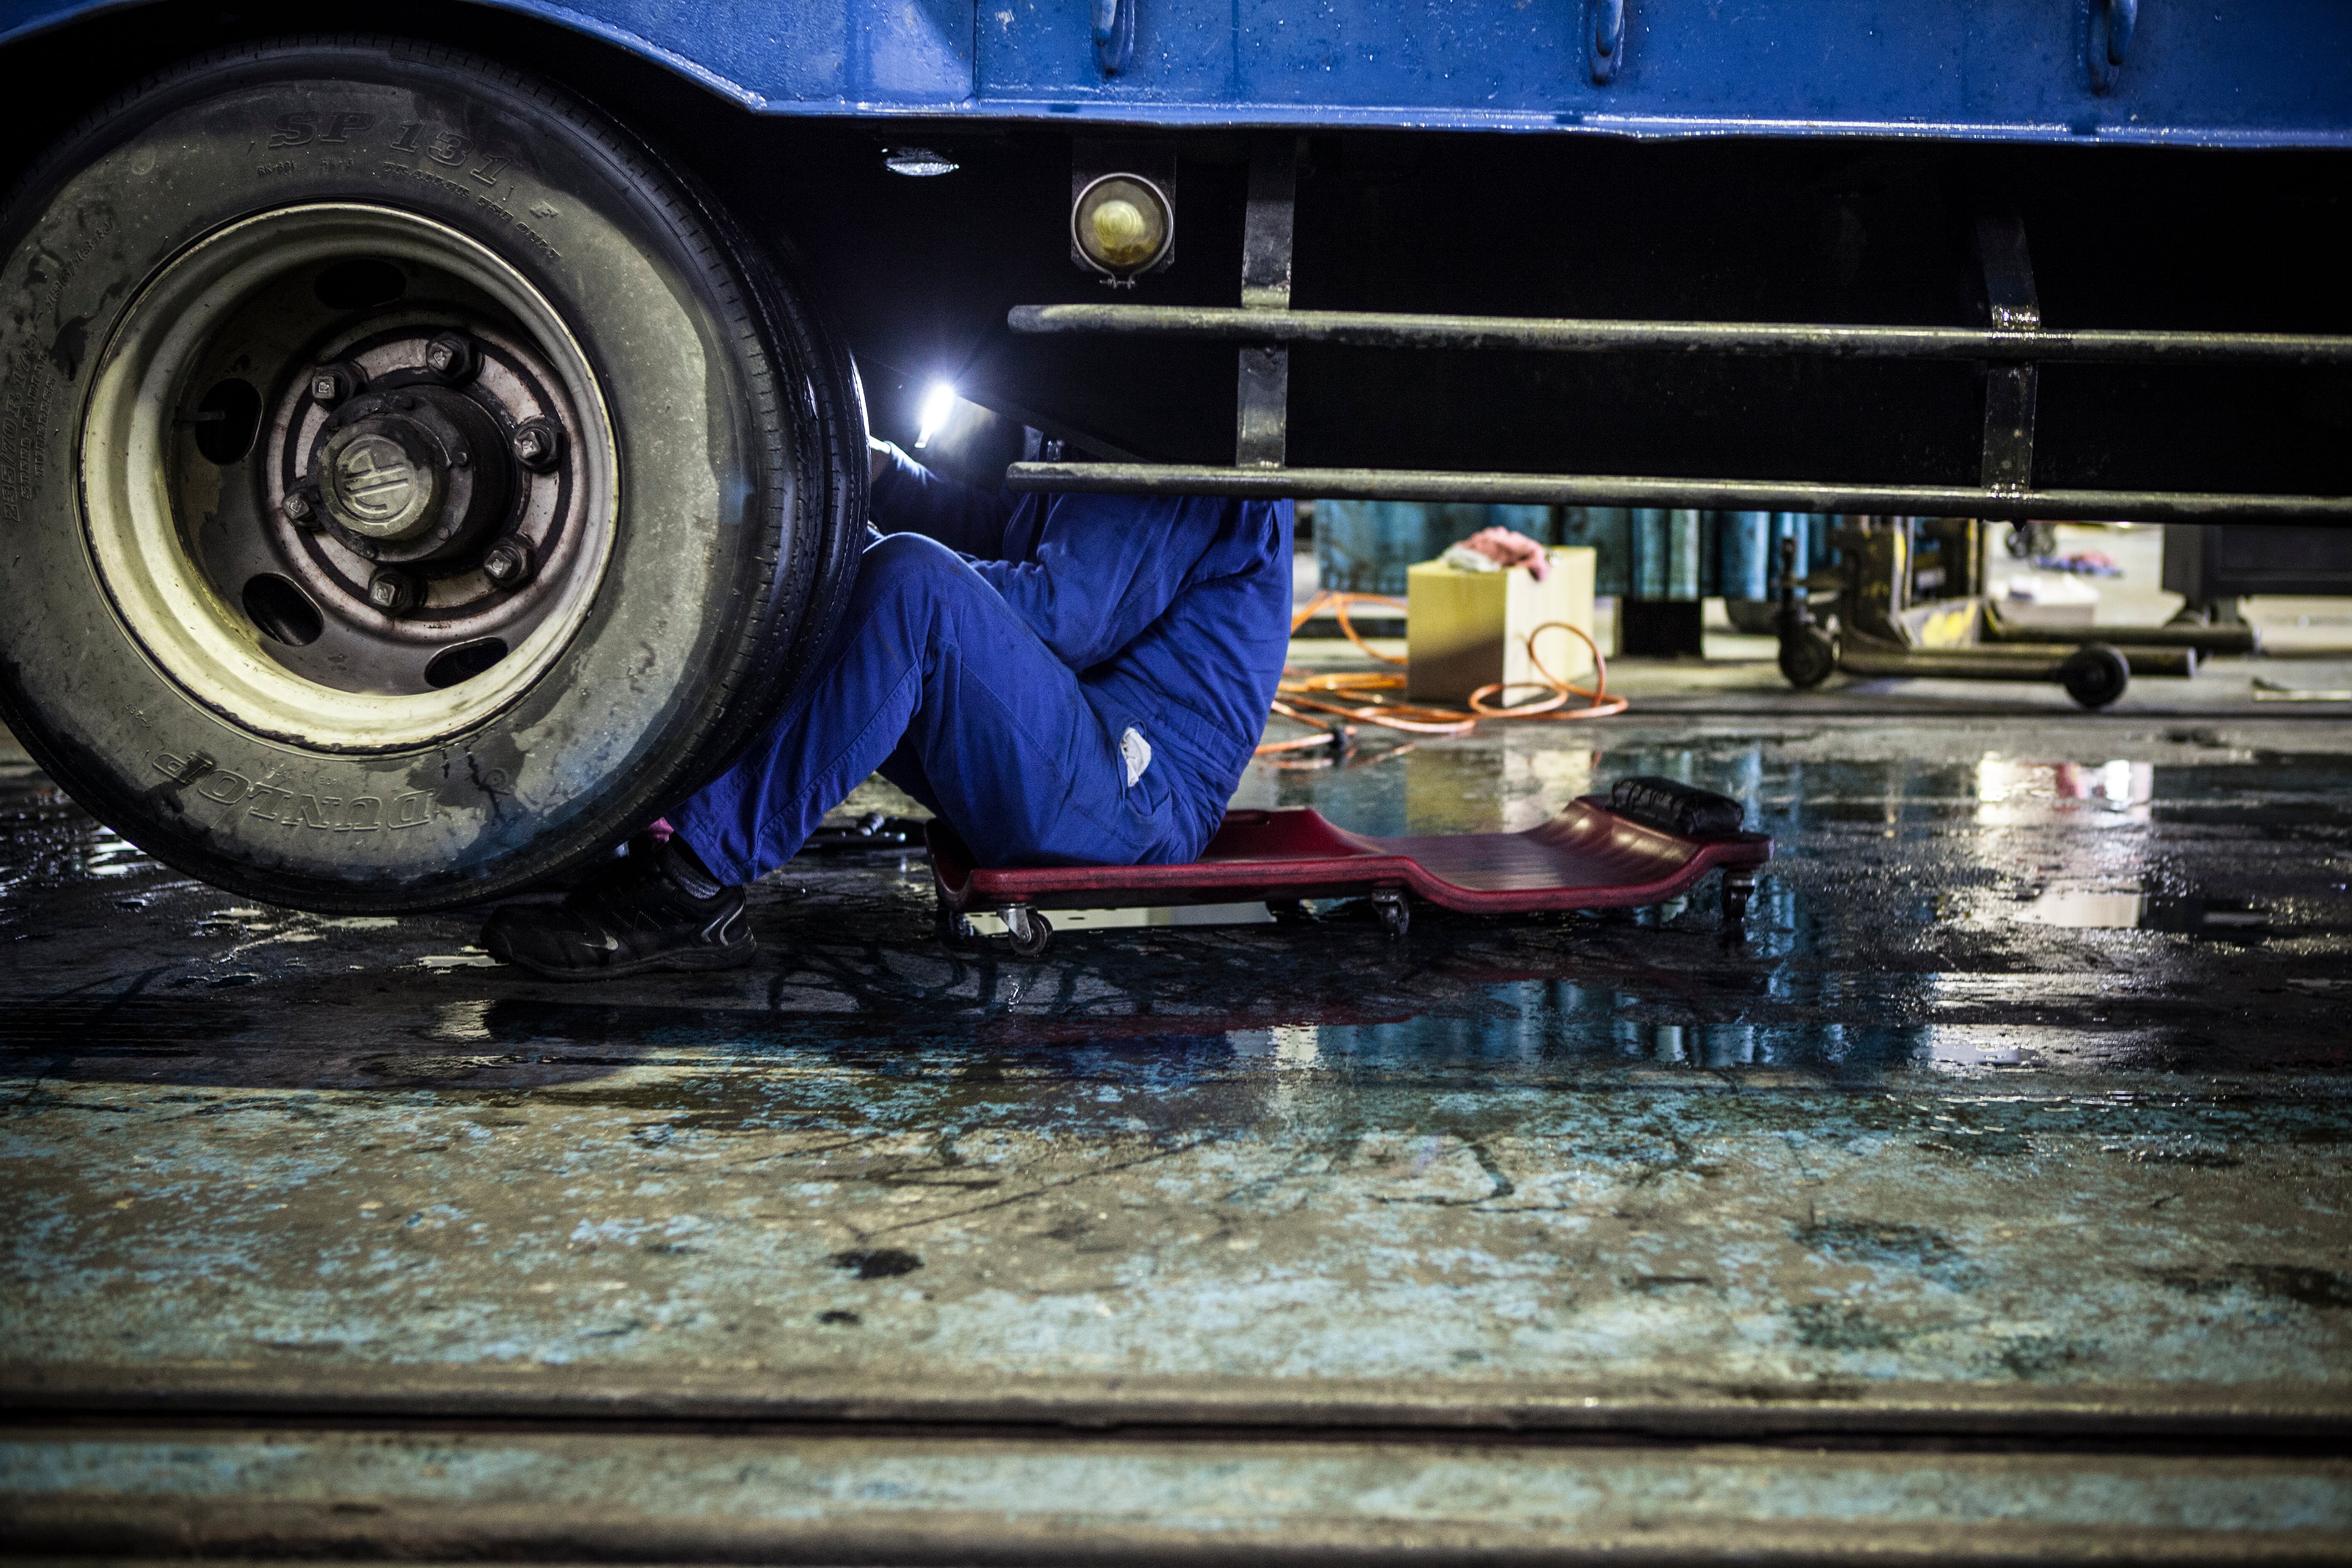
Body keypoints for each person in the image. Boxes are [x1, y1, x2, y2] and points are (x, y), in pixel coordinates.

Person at [480, 440, 1295, 979]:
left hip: (1137, 794)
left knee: (906, 587)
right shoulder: (1110, 411)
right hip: (1076, 742)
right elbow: (1014, 534)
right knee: (830, 582)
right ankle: (638, 824)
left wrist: (861, 551)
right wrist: (884, 475)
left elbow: (1059, 616)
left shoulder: (1182, 434)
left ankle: (694, 884)